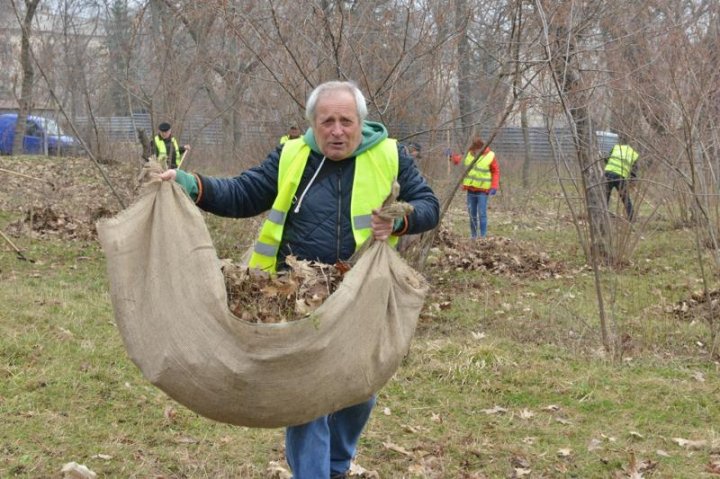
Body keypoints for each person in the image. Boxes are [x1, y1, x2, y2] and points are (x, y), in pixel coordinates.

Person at [159, 80, 439, 478]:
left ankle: (337, 465)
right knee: (306, 397)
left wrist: (403, 216)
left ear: (360, 122)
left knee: (360, 391)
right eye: (327, 121)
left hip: (362, 296)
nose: (337, 130)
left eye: (346, 121)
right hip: (297, 297)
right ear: (312, 123)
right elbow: (243, 193)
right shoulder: (293, 155)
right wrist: (192, 185)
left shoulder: (391, 155)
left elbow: (430, 205)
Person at [461, 136, 500, 239]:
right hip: (471, 189)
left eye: (477, 148)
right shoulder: (469, 154)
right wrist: (451, 157)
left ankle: (482, 237)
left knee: (482, 213)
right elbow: (460, 161)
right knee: (471, 214)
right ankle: (473, 236)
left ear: (481, 147)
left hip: (483, 191)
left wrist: (494, 186)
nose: (475, 150)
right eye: (474, 148)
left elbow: (495, 171)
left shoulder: (490, 156)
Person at [604, 141, 639, 220]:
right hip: (620, 177)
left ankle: (603, 216)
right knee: (625, 198)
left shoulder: (616, 148)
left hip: (608, 174)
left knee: (605, 196)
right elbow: (633, 171)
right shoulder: (633, 154)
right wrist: (632, 182)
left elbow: (606, 159)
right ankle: (631, 217)